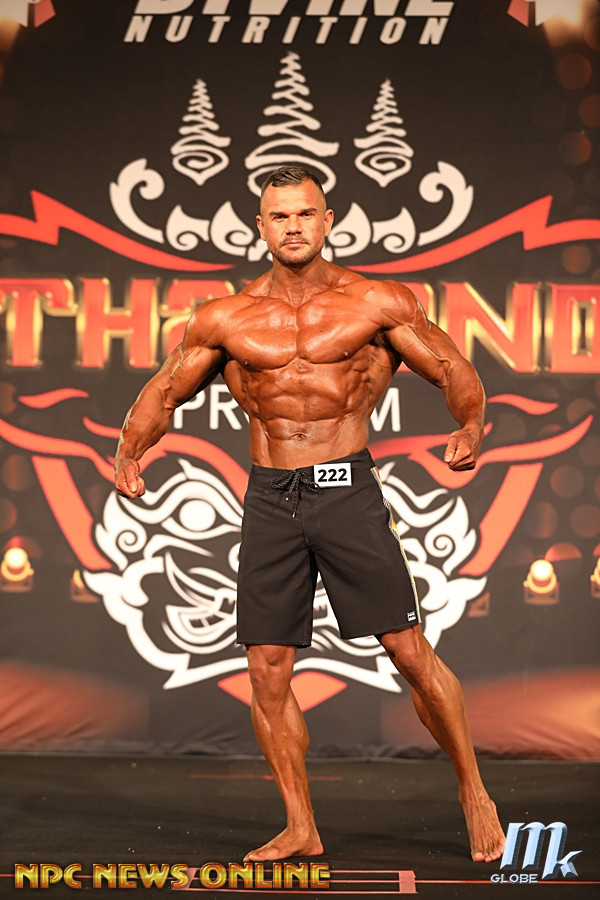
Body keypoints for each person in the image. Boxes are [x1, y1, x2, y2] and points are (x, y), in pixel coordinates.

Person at [114, 166, 506, 865]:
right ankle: (301, 825)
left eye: (305, 214)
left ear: (327, 221)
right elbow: (165, 390)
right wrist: (129, 450)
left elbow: (451, 368)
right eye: (280, 216)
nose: (293, 226)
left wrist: (470, 424)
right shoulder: (224, 318)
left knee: (407, 650)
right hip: (271, 495)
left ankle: (475, 793)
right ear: (260, 227)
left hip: (345, 488)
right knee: (267, 670)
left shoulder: (376, 302)